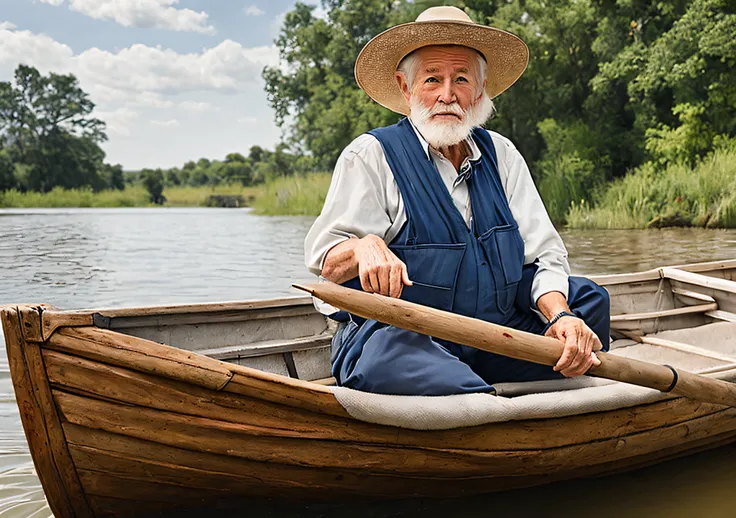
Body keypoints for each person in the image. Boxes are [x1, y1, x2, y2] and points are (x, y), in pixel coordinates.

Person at [304, 6, 611, 396]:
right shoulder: (371, 155)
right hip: (412, 339)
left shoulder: (502, 154)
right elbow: (326, 264)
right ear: (405, 87)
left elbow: (543, 256)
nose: (447, 95)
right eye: (432, 79)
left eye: (461, 79)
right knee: (384, 357)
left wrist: (561, 316)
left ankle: (475, 387)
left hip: (498, 335)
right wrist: (364, 246)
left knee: (589, 302)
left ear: (479, 90)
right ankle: (481, 399)